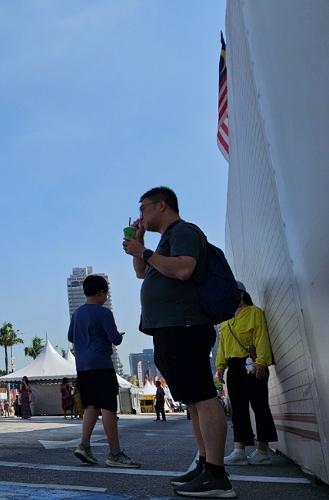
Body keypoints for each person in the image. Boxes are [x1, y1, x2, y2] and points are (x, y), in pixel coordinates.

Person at [123, 186, 234, 497]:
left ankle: (216, 474)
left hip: (185, 325)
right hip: (169, 328)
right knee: (194, 401)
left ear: (161, 205)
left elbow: (184, 269)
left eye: (143, 208)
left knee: (203, 397)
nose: (140, 215)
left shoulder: (183, 231)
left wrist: (143, 251)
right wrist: (140, 245)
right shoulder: (162, 242)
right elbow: (142, 273)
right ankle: (204, 464)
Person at [68, 274, 140, 468]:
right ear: (101, 293)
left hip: (82, 366)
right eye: (105, 294)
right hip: (101, 363)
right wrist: (118, 336)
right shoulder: (103, 313)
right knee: (108, 407)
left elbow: (70, 336)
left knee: (91, 405)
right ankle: (115, 453)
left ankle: (84, 445)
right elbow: (115, 338)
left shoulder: (77, 314)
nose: (106, 298)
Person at [216, 281, 277, 465]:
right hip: (233, 367)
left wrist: (262, 362)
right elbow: (222, 345)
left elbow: (261, 337)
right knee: (238, 409)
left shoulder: (254, 312)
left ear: (241, 294)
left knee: (260, 406)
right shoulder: (226, 319)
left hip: (251, 364)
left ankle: (262, 451)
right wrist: (220, 367)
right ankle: (239, 450)